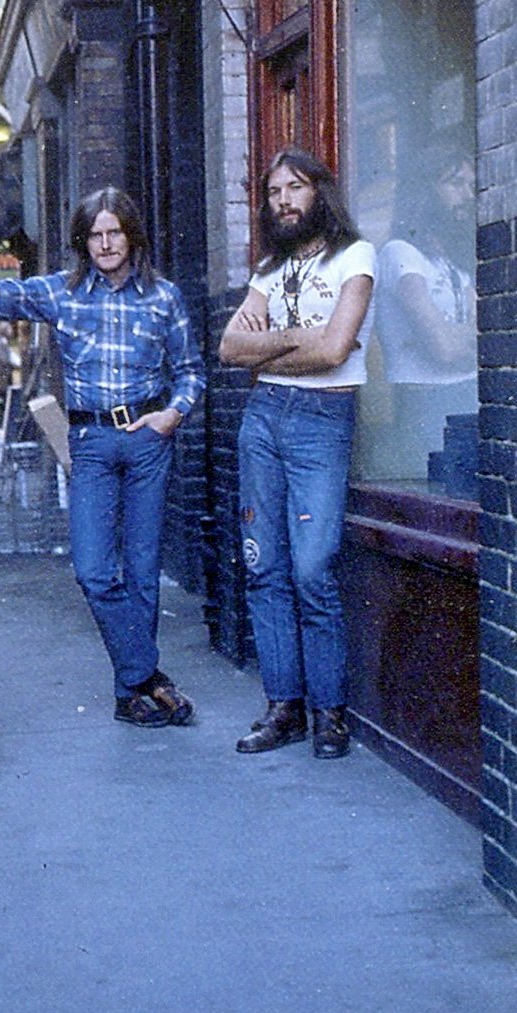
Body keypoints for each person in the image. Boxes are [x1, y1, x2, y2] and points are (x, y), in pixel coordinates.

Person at [0, 187, 204, 729]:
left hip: (147, 439)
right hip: (90, 442)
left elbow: (190, 372)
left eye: (114, 233)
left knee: (141, 572)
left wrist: (172, 414)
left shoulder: (164, 298)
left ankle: (129, 694)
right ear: (83, 243)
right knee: (93, 570)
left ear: (131, 236)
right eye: (95, 235)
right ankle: (150, 676)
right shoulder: (63, 292)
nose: (105, 244)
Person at [219, 147, 375, 760]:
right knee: (264, 567)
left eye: (296, 188)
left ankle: (328, 713)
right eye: (274, 191)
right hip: (263, 418)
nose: (283, 201)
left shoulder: (355, 257)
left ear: (319, 192)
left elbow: (336, 351)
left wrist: (271, 351)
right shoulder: (269, 267)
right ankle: (283, 707)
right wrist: (297, 338)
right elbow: (230, 348)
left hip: (321, 421)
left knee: (312, 570)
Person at [373, 152, 476, 486]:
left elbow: (486, 338)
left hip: (468, 395)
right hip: (425, 403)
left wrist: (458, 335)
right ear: (425, 189)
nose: (468, 195)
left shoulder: (458, 260)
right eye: (456, 183)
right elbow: (443, 348)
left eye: (472, 185)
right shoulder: (400, 254)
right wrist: (465, 336)